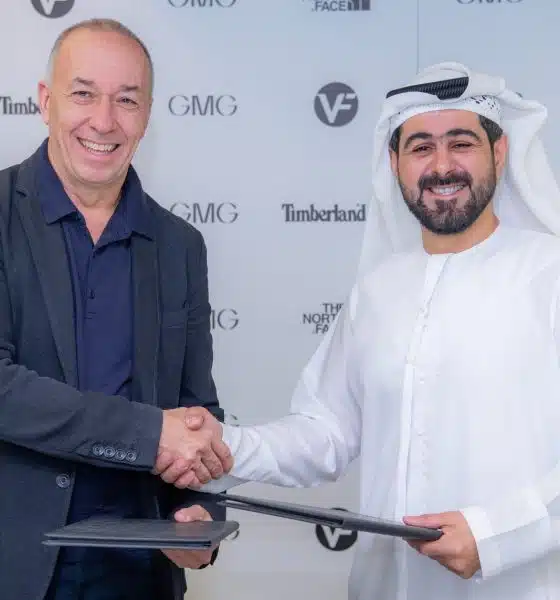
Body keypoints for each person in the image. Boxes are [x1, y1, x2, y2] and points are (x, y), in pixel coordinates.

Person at [169, 63, 560, 599]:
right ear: (395, 163)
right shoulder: (377, 293)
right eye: (421, 147)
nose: (441, 166)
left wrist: (496, 534)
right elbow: (325, 431)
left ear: (499, 151)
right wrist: (223, 445)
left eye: (461, 143)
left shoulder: (550, 274)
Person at [0, 18, 232, 600]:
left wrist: (199, 516)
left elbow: (196, 408)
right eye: (83, 94)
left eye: (126, 100)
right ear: (46, 101)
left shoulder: (180, 246)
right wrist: (149, 433)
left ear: (147, 115)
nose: (104, 122)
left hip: (137, 574)